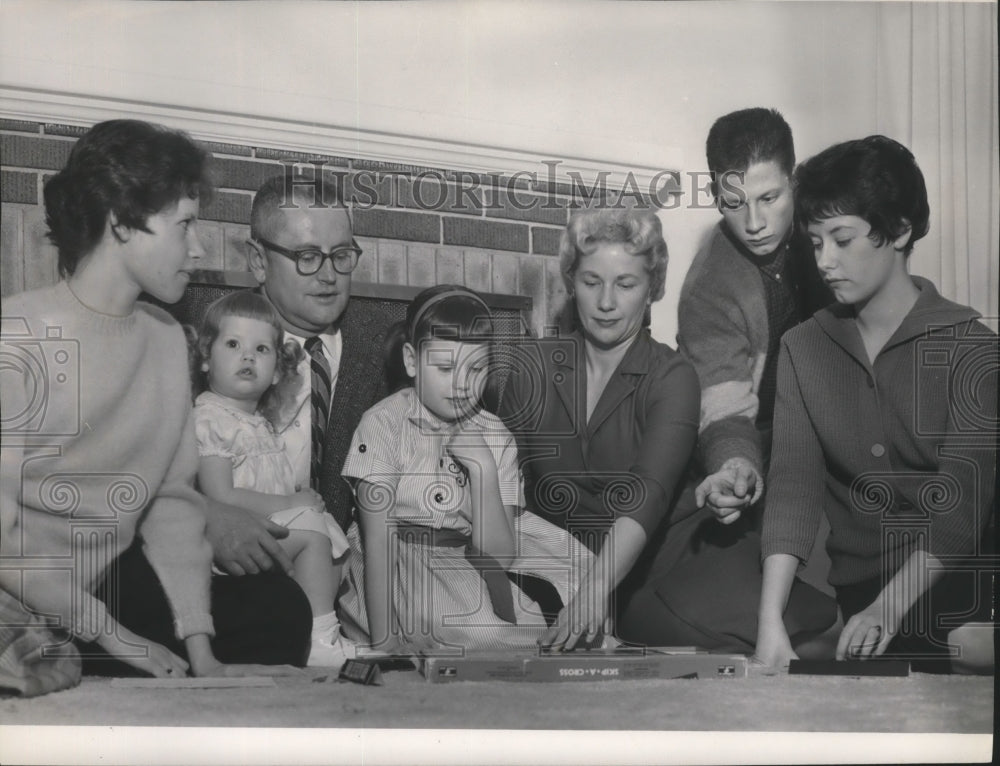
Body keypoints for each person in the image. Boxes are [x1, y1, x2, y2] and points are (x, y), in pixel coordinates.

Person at [0, 119, 309, 677]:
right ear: (121, 223)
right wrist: (124, 641)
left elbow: (170, 504)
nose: (198, 246)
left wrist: (200, 650)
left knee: (281, 609)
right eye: (185, 224)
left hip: (100, 581)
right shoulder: (16, 334)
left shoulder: (168, 338)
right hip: (16, 581)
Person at [500, 208, 835, 652]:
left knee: (790, 640)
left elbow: (648, 493)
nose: (606, 302)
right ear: (570, 282)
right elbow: (504, 485)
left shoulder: (673, 376)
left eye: (626, 284)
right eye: (591, 281)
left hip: (673, 556)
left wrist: (593, 594)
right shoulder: (529, 371)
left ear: (652, 289)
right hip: (569, 565)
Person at [754, 135, 996, 674]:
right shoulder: (803, 347)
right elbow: (792, 488)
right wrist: (769, 622)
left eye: (841, 239)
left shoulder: (973, 348)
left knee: (953, 642)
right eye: (815, 242)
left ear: (900, 230)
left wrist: (888, 610)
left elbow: (959, 516)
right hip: (862, 590)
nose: (825, 261)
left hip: (961, 577)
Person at [337, 285, 595, 651]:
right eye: (445, 367)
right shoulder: (384, 424)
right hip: (401, 559)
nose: (461, 384)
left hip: (471, 553)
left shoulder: (494, 433)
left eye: (476, 368)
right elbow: (377, 539)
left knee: (586, 582)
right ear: (412, 361)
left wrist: (484, 470)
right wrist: (384, 641)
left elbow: (500, 554)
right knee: (487, 634)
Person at [204, 173, 386, 577]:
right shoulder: (216, 344)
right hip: (239, 567)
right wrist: (208, 517)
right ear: (258, 261)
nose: (328, 275)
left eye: (341, 255)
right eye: (306, 256)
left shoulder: (382, 348)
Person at [678, 108, 829, 527]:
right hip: (767, 447)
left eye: (769, 198)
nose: (755, 223)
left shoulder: (831, 231)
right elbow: (724, 408)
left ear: (793, 182)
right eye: (735, 204)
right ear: (714, 195)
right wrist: (735, 465)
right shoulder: (708, 288)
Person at [191, 291, 356, 667]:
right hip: (230, 545)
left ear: (278, 370)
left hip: (263, 531)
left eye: (262, 349)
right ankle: (318, 640)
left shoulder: (259, 423)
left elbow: (267, 483)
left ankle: (312, 626)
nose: (247, 356)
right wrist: (289, 505)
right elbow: (221, 495)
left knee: (331, 533)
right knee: (314, 532)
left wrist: (298, 497)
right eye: (233, 344)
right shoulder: (211, 421)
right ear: (205, 358)